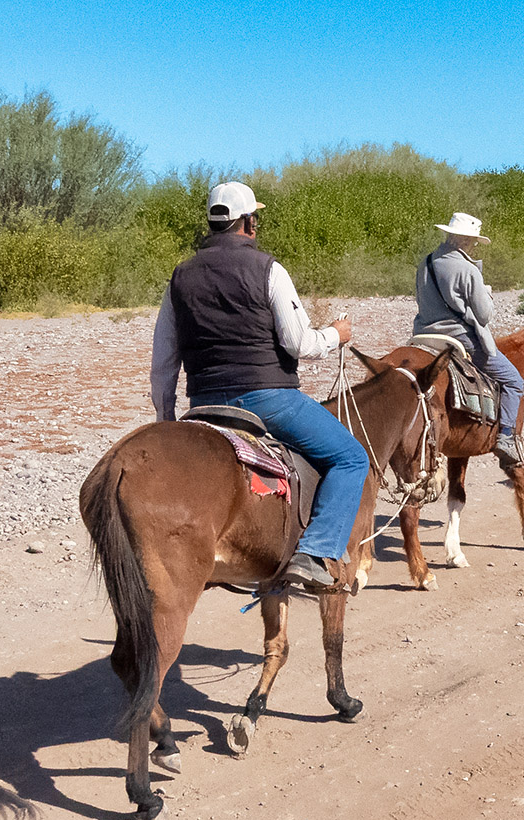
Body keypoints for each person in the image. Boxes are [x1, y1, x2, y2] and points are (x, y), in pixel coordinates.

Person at [150, 181, 369, 588]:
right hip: (269, 399)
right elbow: (299, 343)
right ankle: (317, 552)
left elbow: (163, 360)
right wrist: (336, 335)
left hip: (203, 402)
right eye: (256, 219)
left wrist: (168, 420)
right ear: (248, 222)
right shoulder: (268, 268)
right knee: (351, 459)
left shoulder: (179, 277)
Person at [413, 212, 524, 466]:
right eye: (473, 241)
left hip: (423, 335)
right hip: (459, 338)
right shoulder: (468, 269)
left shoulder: (426, 262)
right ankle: (506, 436)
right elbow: (484, 316)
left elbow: (420, 299)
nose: (473, 245)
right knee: (513, 380)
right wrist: (486, 294)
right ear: (465, 240)